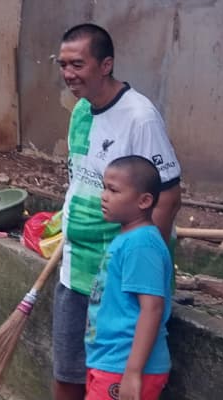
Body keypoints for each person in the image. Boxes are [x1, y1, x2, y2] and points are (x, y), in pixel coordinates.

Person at [53, 24, 183, 400]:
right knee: (68, 373)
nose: (67, 74)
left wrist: (143, 265)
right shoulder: (80, 111)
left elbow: (168, 197)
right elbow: (81, 178)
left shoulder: (140, 118)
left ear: (106, 64)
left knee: (113, 377)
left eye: (77, 64)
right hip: (76, 266)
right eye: (62, 64)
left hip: (119, 279)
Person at [85, 156, 173, 400]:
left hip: (124, 366)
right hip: (109, 361)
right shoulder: (127, 237)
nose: (104, 196)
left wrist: (133, 373)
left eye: (113, 190)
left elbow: (152, 308)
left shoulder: (141, 245)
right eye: (104, 187)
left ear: (144, 201)